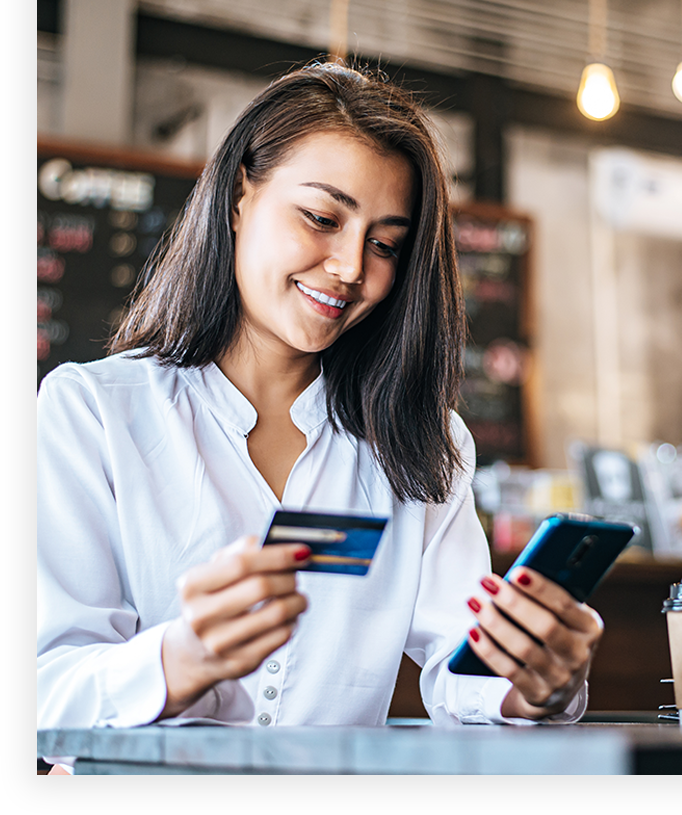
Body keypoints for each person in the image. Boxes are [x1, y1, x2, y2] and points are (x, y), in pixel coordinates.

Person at [37, 62, 603, 770]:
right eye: (322, 217)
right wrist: (176, 659)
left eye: (385, 243)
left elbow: (462, 675)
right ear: (241, 193)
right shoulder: (92, 412)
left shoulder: (422, 445)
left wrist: (534, 682)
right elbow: (48, 687)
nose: (348, 267)